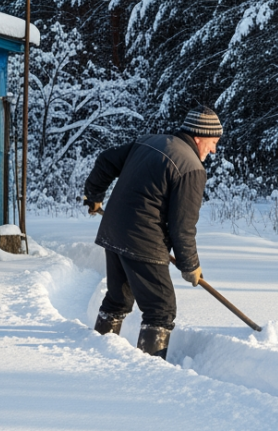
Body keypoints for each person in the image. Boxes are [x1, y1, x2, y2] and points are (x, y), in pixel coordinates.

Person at [81, 106, 222, 360]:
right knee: (160, 309)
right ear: (199, 136)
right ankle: (150, 373)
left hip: (114, 232)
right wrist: (190, 265)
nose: (213, 150)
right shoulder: (191, 168)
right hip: (144, 240)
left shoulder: (149, 142)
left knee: (118, 299)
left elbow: (106, 160)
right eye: (213, 142)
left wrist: (94, 195)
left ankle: (98, 354)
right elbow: (183, 226)